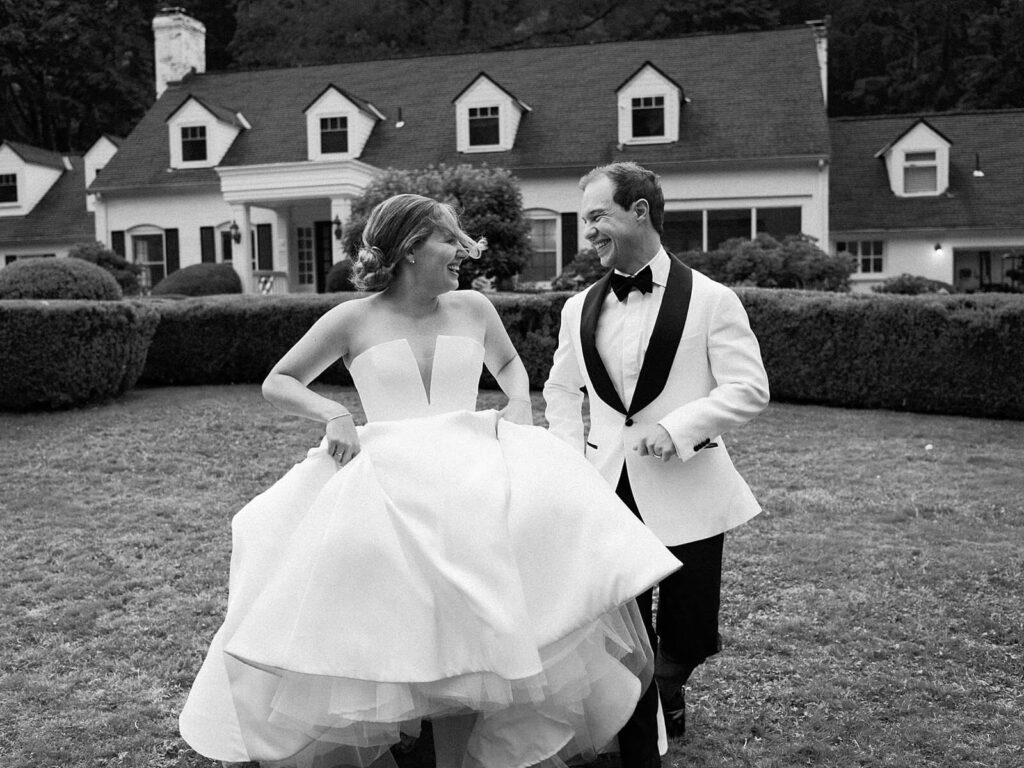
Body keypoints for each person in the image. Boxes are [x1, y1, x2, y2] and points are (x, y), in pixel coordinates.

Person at [178, 193, 681, 768]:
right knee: (387, 605)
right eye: (450, 241)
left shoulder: (472, 308)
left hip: (472, 473)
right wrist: (334, 414)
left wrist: (518, 403)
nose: (461, 253)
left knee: (498, 607)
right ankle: (410, 739)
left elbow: (511, 365)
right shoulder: (353, 318)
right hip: (387, 481)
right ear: (413, 247)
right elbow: (279, 380)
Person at [543, 162, 770, 767]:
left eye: (597, 216)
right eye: (583, 219)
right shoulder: (577, 307)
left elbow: (749, 388)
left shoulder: (712, 300)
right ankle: (640, 717)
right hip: (604, 485)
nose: (587, 231)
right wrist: (570, 460)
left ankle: (667, 684)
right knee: (620, 622)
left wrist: (679, 427)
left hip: (689, 489)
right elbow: (561, 390)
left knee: (691, 628)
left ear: (639, 211)